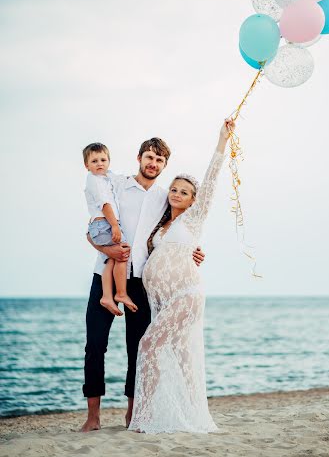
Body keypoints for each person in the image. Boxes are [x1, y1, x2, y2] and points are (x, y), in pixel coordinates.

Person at [81, 137, 206, 433]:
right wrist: (102, 248)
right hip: (106, 275)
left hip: (141, 283)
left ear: (164, 165)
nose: (153, 163)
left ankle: (132, 414)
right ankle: (93, 416)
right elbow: (94, 222)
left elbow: (179, 229)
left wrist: (194, 250)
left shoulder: (166, 196)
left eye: (159, 160)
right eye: (149, 157)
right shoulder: (117, 185)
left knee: (136, 349)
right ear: (139, 157)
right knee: (95, 345)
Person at [129, 118, 234, 434]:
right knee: (183, 358)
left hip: (186, 295)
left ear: (193, 199)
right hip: (165, 299)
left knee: (148, 345)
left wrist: (221, 141)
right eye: (173, 189)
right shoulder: (161, 227)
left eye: (184, 191)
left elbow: (212, 180)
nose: (176, 193)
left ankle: (143, 417)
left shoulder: (193, 221)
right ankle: (192, 413)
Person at [83, 142, 137, 316]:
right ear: (87, 165)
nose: (99, 163)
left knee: (111, 259)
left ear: (109, 161)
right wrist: (115, 225)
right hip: (104, 223)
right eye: (94, 161)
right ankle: (120, 293)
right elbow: (105, 204)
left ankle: (107, 296)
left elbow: (122, 179)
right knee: (123, 253)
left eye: (103, 160)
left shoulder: (107, 177)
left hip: (102, 224)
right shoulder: (94, 180)